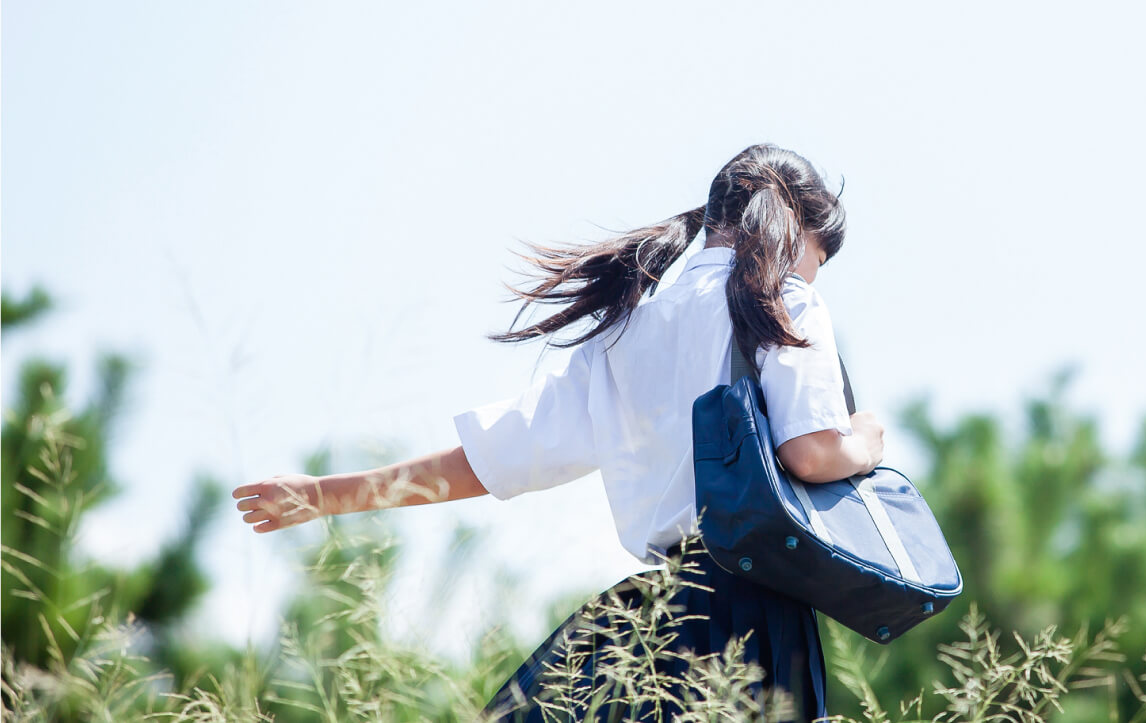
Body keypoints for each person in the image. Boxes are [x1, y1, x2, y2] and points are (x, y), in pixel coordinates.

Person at [231, 143, 887, 721]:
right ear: (791, 229)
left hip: (654, 620)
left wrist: (323, 494)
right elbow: (811, 451)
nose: (808, 276)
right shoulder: (787, 300)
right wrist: (863, 440)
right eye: (814, 259)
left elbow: (493, 460)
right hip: (756, 618)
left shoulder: (627, 334)